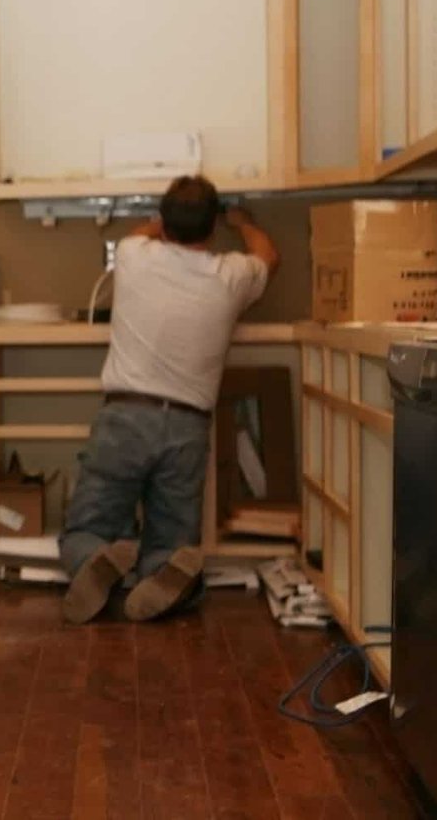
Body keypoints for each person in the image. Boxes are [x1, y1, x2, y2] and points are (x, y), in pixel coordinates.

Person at [59, 176, 279, 624]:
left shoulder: (133, 255)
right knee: (173, 536)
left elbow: (139, 234)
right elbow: (270, 256)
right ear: (212, 227)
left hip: (125, 415)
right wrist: (241, 220)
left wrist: (158, 223)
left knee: (87, 523)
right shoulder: (232, 275)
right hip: (186, 424)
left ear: (162, 220)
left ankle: (92, 561)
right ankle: (162, 572)